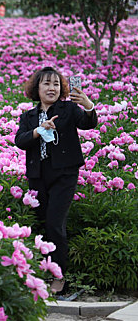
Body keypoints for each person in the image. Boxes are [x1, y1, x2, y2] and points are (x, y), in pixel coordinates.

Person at [14, 67, 98, 294]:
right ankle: (42, 271)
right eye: (46, 84)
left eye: (56, 84)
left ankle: (58, 276)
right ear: (36, 88)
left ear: (62, 89)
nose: (52, 88)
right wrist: (38, 131)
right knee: (42, 224)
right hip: (38, 176)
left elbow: (88, 124)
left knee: (54, 223)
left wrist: (88, 105)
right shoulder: (28, 116)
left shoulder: (69, 109)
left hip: (64, 175)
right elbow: (20, 141)